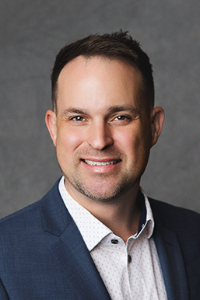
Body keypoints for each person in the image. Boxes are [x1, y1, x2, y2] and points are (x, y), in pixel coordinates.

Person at [0, 31, 199, 300]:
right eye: (78, 117)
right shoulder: (5, 256)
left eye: (119, 117)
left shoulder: (194, 235)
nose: (99, 140)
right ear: (53, 128)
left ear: (154, 127)